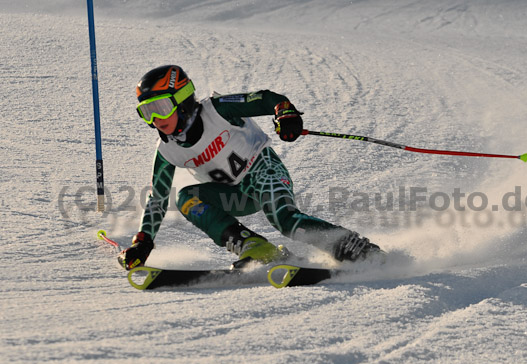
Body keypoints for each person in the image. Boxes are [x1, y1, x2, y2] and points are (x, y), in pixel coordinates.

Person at [119, 65, 382, 270]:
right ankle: (254, 246)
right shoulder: (167, 150)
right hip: (235, 195)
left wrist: (284, 112)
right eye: (147, 112)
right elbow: (158, 199)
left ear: (183, 99)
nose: (155, 120)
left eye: (161, 107)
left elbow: (266, 99)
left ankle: (357, 249)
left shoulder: (217, 110)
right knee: (187, 198)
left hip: (263, 170)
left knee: (286, 221)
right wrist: (143, 242)